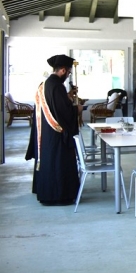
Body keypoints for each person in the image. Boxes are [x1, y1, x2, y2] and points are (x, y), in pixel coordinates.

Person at [32, 54, 82, 205]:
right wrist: (77, 109)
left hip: (46, 132)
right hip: (57, 134)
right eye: (68, 72)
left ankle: (47, 192)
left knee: (49, 162)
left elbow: (54, 104)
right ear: (63, 70)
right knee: (58, 163)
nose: (68, 76)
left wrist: (67, 96)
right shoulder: (57, 86)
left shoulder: (46, 84)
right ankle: (59, 196)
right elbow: (63, 111)